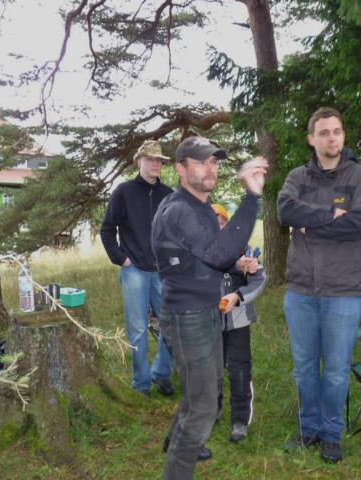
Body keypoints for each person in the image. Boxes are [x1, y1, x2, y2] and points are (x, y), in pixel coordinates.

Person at [151, 136, 267, 480]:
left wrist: (236, 264)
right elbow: (216, 253)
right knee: (203, 407)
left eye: (214, 162)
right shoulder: (180, 210)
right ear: (180, 168)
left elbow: (206, 257)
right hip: (187, 315)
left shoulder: (199, 206)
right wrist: (251, 198)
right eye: (201, 162)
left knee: (204, 388)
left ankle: (175, 443)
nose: (210, 168)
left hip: (204, 310)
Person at [277, 107, 361, 464]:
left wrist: (310, 225)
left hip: (345, 290)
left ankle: (331, 434)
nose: (332, 138)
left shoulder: (360, 175)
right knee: (304, 367)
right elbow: (285, 211)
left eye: (337, 131)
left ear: (343, 135)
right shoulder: (297, 177)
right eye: (324, 132)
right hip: (301, 290)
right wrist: (331, 215)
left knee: (335, 369)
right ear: (312, 139)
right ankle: (309, 429)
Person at [100, 139, 174, 397]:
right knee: (139, 330)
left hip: (163, 273)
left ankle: (161, 373)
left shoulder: (169, 195)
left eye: (159, 160)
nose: (155, 164)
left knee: (172, 324)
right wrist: (122, 259)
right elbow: (107, 230)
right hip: (134, 271)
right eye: (150, 159)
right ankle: (141, 383)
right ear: (139, 161)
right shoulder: (124, 192)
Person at [212, 203, 267, 443]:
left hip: (238, 320)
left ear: (227, 225)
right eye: (211, 223)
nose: (217, 227)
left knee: (240, 368)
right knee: (210, 368)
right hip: (208, 321)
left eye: (221, 222)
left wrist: (238, 296)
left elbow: (259, 279)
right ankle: (211, 411)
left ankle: (240, 420)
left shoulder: (243, 251)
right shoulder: (200, 250)